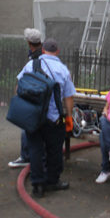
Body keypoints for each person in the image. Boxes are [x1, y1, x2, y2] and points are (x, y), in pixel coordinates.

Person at [16, 38, 76, 198]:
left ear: (42, 50)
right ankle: (52, 181)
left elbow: (18, 87)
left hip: (33, 117)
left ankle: (37, 185)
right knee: (54, 151)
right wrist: (69, 117)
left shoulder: (31, 65)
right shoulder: (63, 70)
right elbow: (69, 97)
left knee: (35, 150)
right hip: (53, 119)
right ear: (57, 52)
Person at [8, 27, 43, 168]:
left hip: (33, 101)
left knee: (26, 127)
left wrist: (17, 98)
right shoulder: (49, 59)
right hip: (47, 102)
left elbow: (20, 82)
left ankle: (26, 156)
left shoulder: (31, 64)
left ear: (29, 43)